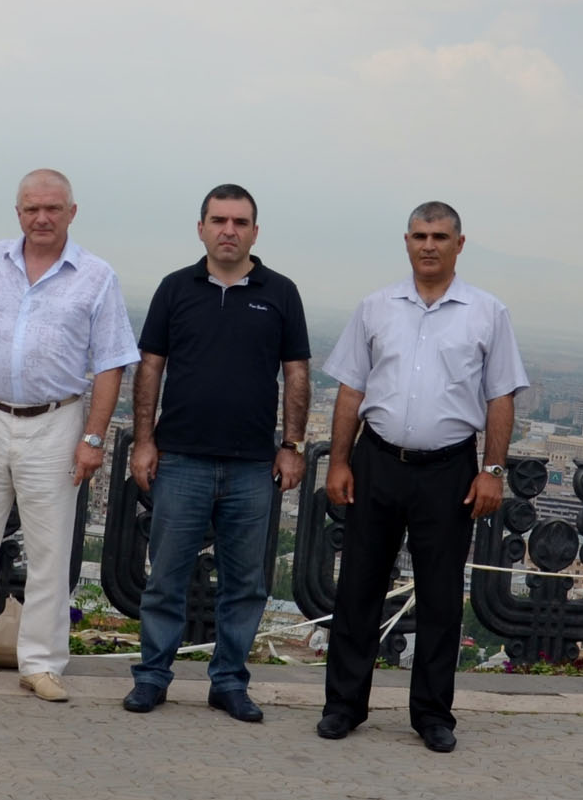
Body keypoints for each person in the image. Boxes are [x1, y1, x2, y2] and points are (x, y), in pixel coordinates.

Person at [316, 201, 527, 752]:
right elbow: (351, 389)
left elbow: (500, 396)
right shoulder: (375, 307)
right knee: (359, 587)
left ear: (460, 244)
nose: (428, 245)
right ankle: (343, 706)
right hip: (377, 462)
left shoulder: (487, 313)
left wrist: (493, 470)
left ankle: (433, 715)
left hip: (449, 471)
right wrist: (339, 461)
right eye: (419, 235)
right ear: (406, 241)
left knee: (439, 596)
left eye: (439, 236)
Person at [0, 169, 139, 702]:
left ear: (72, 212)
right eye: (32, 209)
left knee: (49, 550)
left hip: (56, 421)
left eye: (52, 208)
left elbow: (112, 362)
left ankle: (42, 664)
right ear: (18, 213)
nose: (42, 218)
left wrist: (93, 438)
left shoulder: (97, 276)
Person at [123, 184, 310, 720]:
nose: (229, 230)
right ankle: (152, 677)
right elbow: (150, 367)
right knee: (165, 577)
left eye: (240, 222)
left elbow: (297, 373)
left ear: (255, 231)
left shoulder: (281, 292)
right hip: (181, 457)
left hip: (253, 464)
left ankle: (228, 682)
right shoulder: (175, 288)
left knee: (245, 584)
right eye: (219, 220)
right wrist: (144, 440)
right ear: (201, 228)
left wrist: (292, 445)